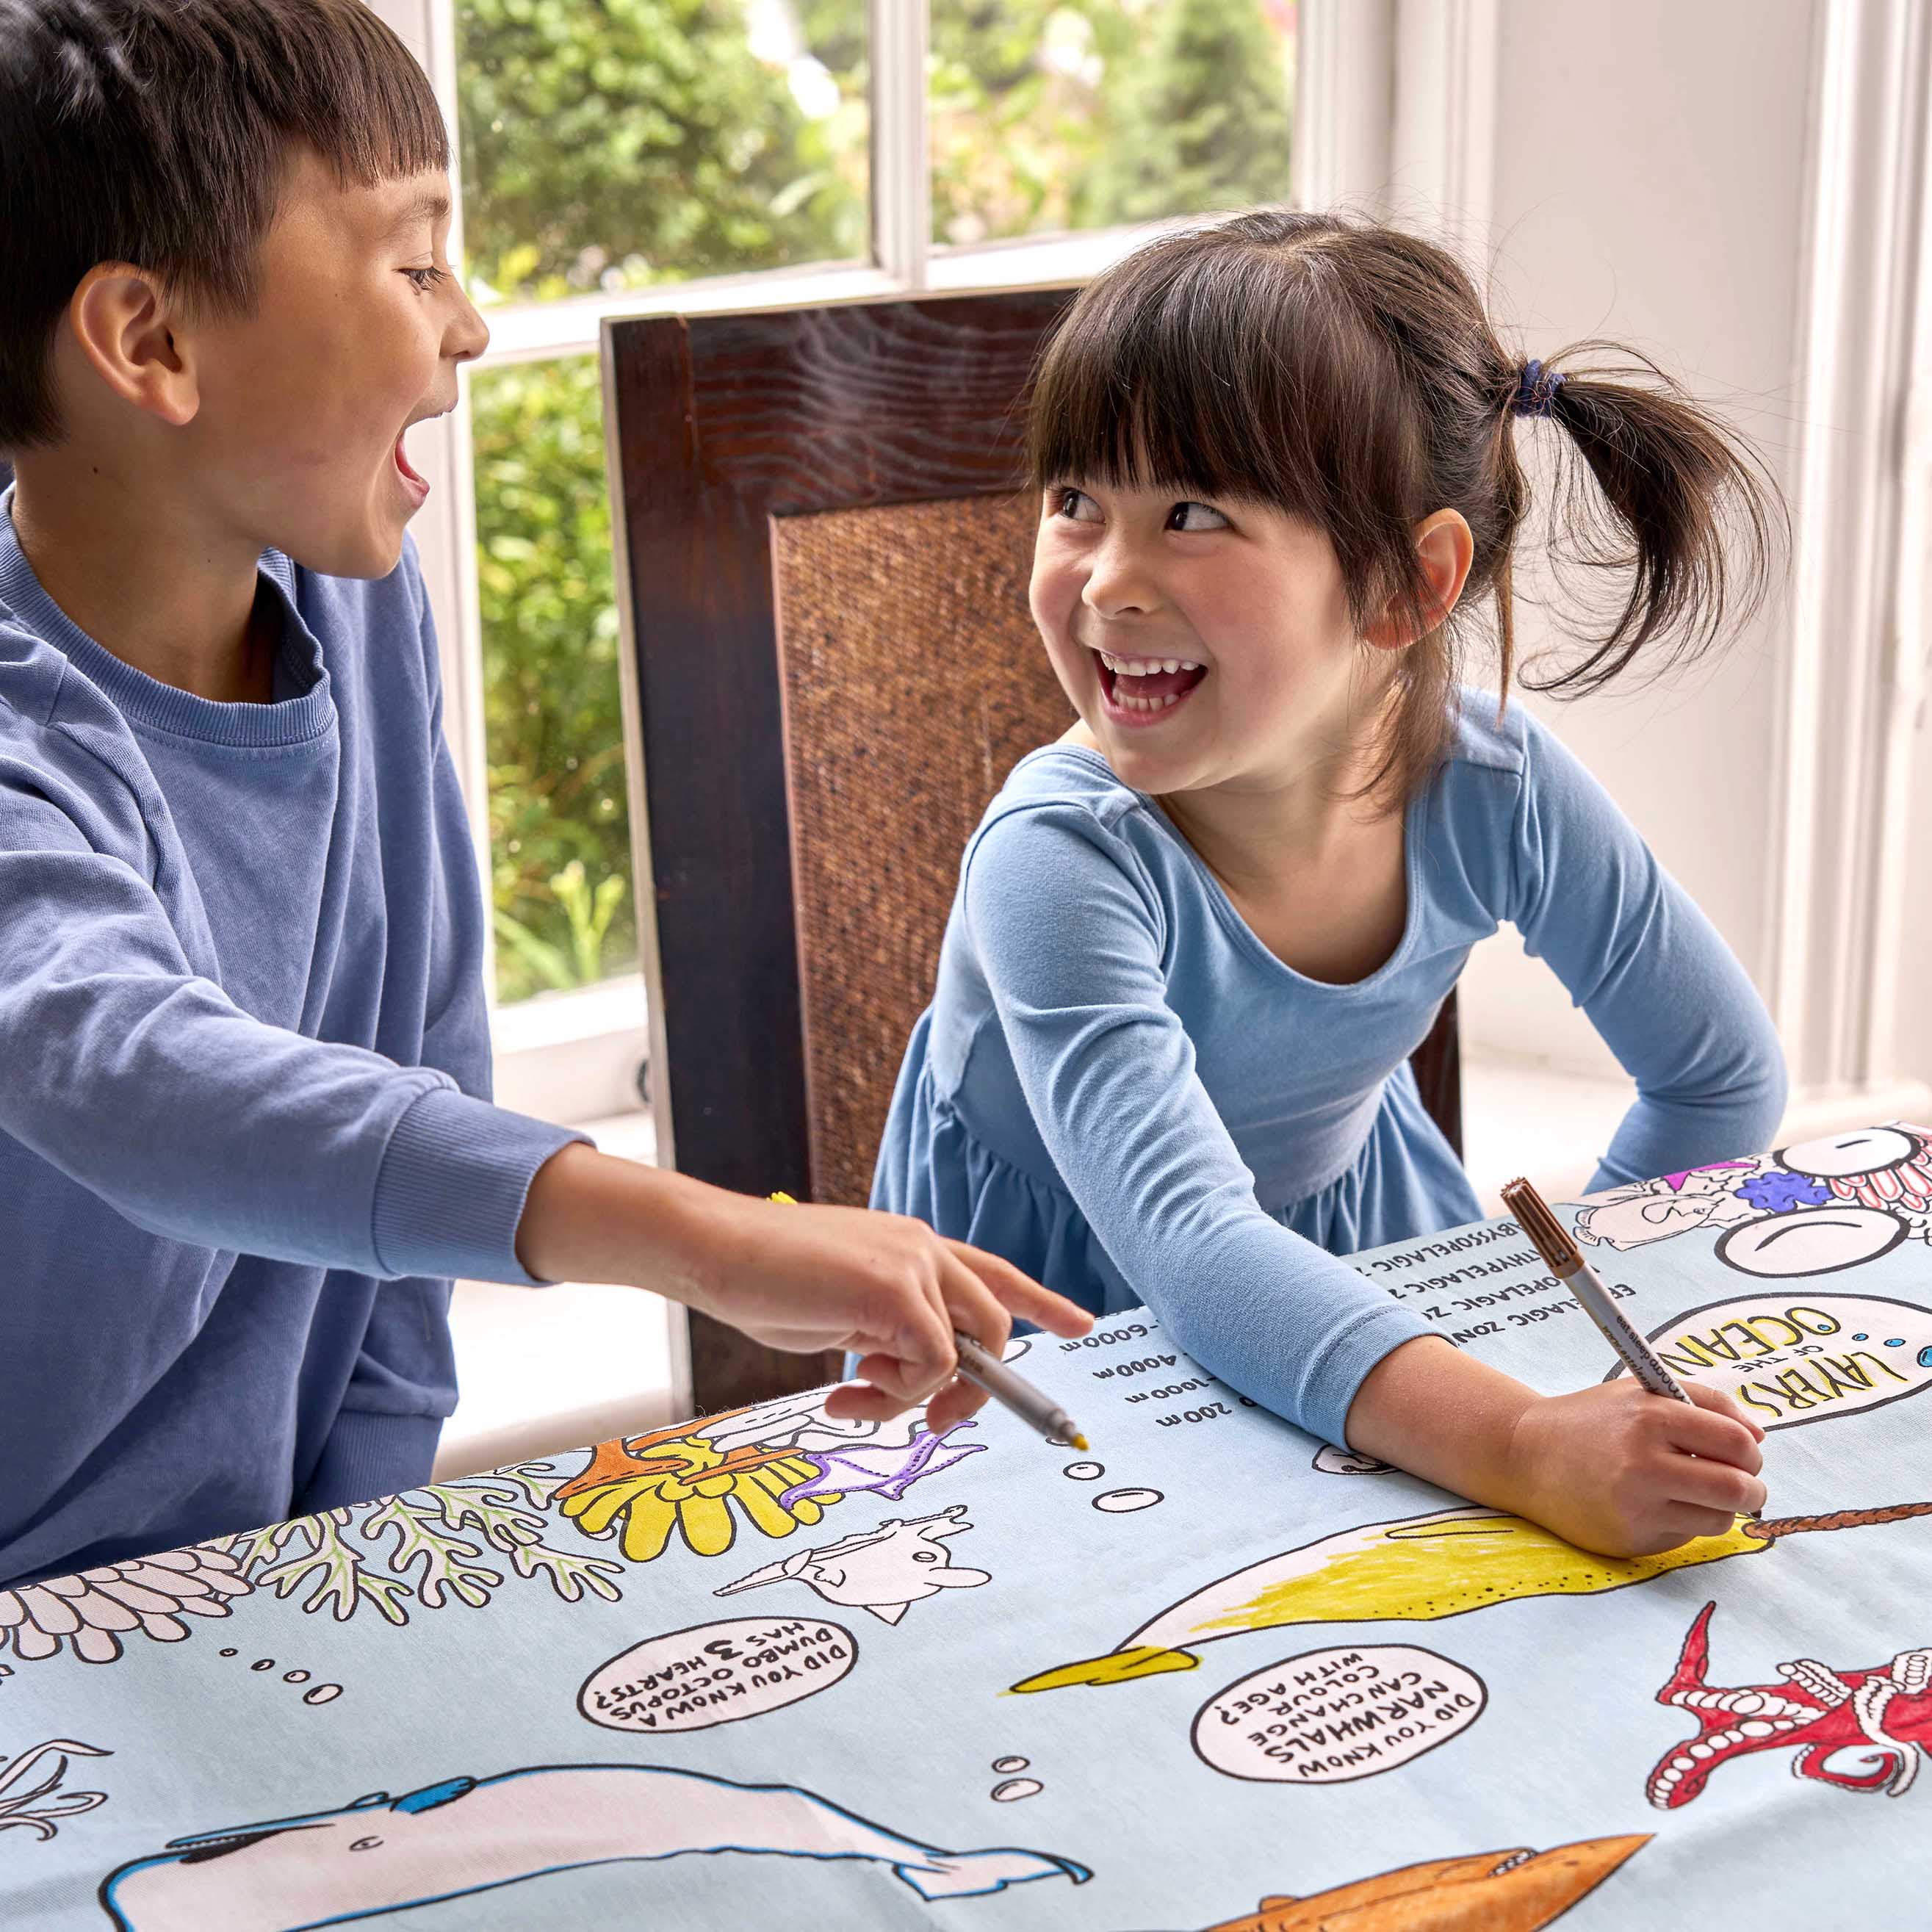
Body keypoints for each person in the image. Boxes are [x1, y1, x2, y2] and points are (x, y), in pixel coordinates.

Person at [0, 0, 1090, 1592]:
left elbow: (421, 1066)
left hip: (276, 1576)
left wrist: (355, 1546)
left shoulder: (353, 603)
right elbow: (137, 1077)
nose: (472, 327)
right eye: (415, 260)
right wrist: (715, 1240)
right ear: (150, 342)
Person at [873, 209, 1792, 1560]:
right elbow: (1189, 1249)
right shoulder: (1056, 857)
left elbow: (1717, 1081)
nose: (1106, 581)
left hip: (1359, 1261)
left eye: (1190, 514)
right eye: (1076, 501)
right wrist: (1523, 1436)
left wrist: (1550, 1360)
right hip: (1054, 1328)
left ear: (1405, 586)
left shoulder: (1497, 787)